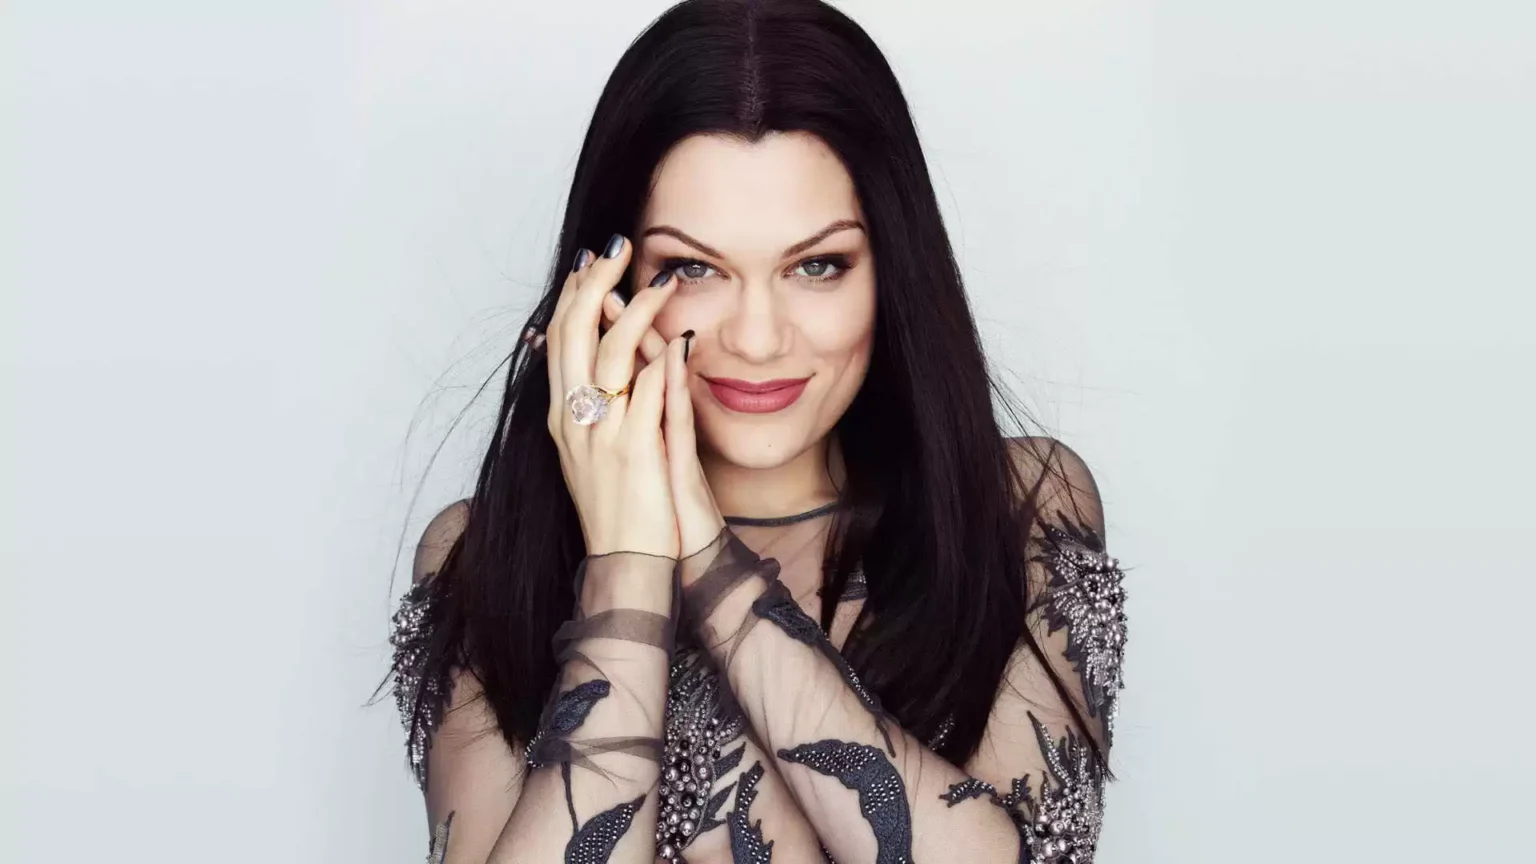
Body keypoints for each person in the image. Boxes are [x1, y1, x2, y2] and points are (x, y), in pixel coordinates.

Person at [387, 1, 1129, 861]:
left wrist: (705, 552)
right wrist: (629, 561)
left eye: (817, 265)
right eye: (693, 268)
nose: (758, 338)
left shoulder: (1019, 509)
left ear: (891, 270)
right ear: (608, 290)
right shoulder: (483, 561)